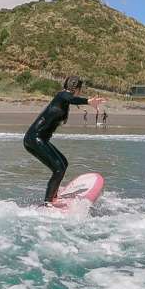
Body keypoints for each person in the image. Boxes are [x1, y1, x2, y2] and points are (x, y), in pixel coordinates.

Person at [23, 76, 105, 204]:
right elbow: (71, 98)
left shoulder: (63, 100)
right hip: (34, 139)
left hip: (39, 140)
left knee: (63, 164)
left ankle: (53, 195)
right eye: (80, 89)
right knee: (58, 169)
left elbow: (70, 99)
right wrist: (88, 101)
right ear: (76, 89)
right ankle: (48, 202)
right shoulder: (62, 96)